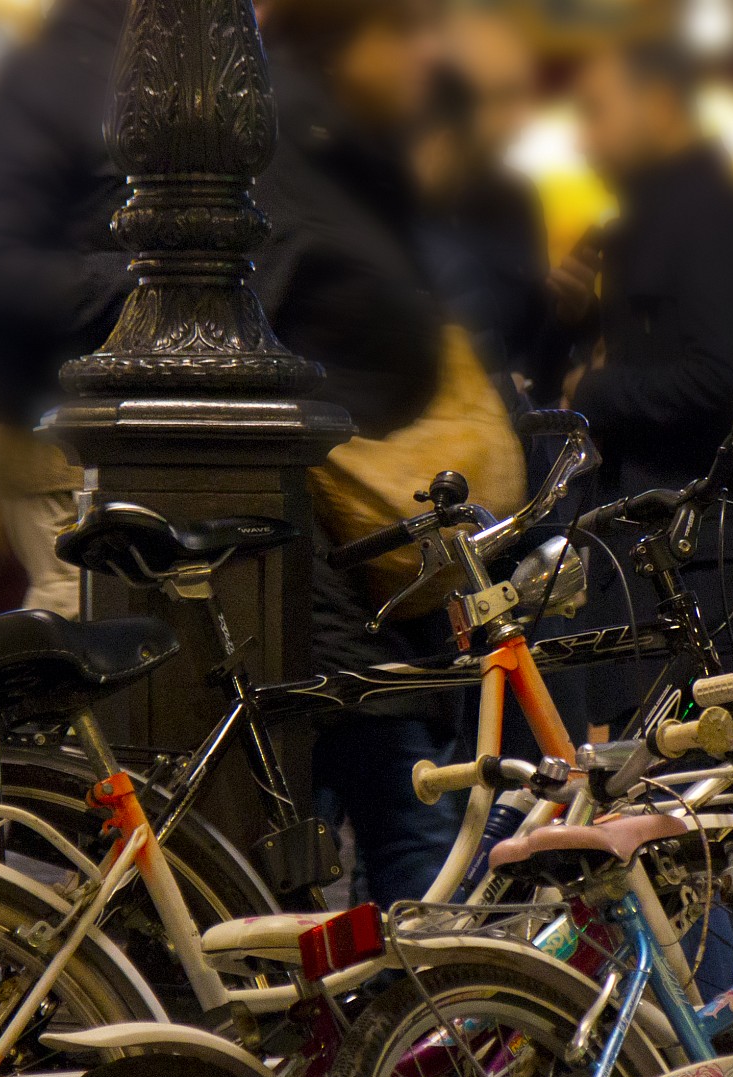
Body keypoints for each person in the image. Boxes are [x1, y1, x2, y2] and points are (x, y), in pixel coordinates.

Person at [257, 0, 482, 907]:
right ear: (343, 39)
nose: (431, 54)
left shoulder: (344, 158)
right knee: (413, 834)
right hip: (319, 569)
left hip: (355, 564)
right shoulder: (283, 157)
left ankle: (362, 1038)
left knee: (360, 836)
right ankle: (419, 1043)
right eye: (409, 30)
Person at [555, 38, 733, 731]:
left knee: (705, 800)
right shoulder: (649, 217)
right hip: (672, 555)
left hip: (710, 563)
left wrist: (590, 393)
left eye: (597, 113)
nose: (584, 140)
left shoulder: (706, 215)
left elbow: (726, 380)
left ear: (659, 102)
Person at [0, 0, 133, 619]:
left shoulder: (129, 74)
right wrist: (160, 285)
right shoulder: (57, 79)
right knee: (90, 646)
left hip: (119, 438)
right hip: (76, 452)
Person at [411, 8, 563, 395]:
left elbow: (533, 339)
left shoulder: (517, 198)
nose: (521, 119)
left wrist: (571, 318)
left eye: (524, 95)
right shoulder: (388, 198)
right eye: (502, 97)